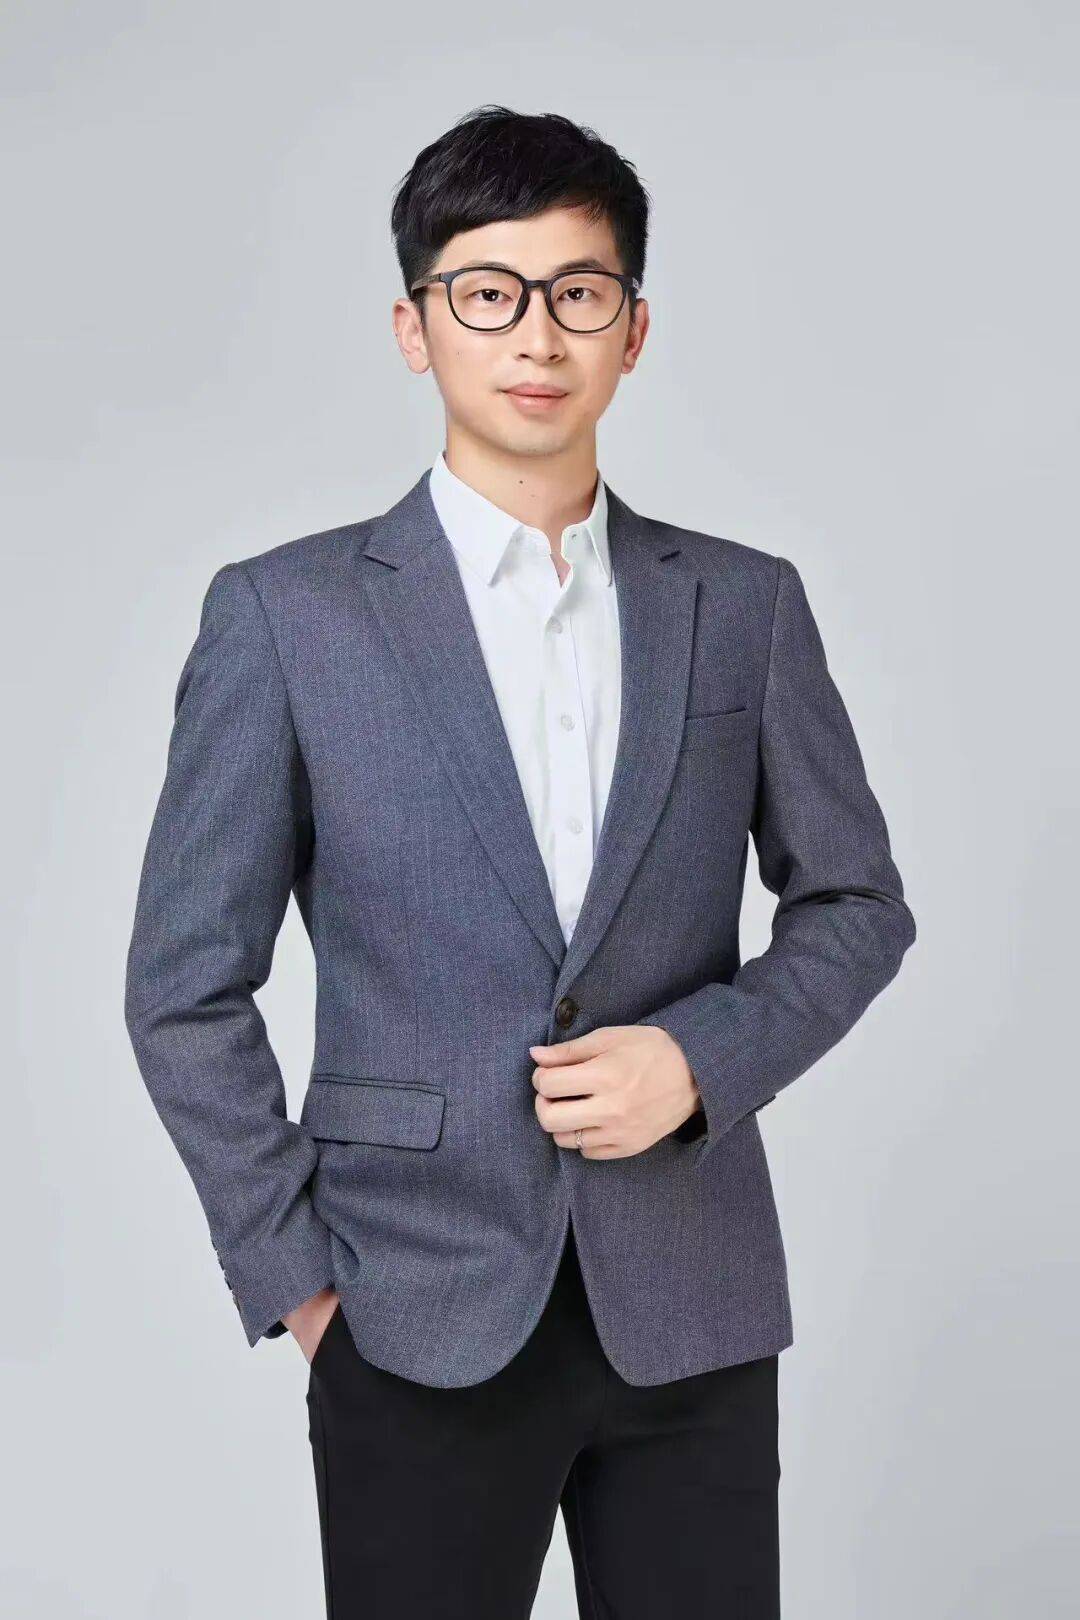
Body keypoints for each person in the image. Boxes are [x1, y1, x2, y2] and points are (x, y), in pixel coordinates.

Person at [123, 104, 916, 1618]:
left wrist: (699, 1059)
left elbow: (856, 903)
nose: (536, 334)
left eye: (579, 292)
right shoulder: (288, 619)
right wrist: (302, 1285)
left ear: (634, 331)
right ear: (416, 328)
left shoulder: (742, 604)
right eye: (487, 292)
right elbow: (181, 987)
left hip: (689, 1307)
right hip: (408, 1309)